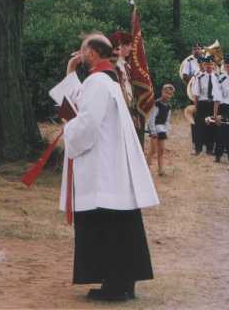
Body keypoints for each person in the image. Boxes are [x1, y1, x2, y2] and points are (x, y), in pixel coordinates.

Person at [61, 33, 159, 302]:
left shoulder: (97, 83)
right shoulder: (108, 81)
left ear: (92, 54)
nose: (79, 55)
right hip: (113, 166)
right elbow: (76, 102)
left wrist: (68, 132)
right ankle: (123, 282)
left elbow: (85, 123)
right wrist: (70, 72)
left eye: (82, 51)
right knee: (122, 225)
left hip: (102, 167)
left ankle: (114, 286)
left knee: (106, 225)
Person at [109, 31, 146, 147]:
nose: (131, 48)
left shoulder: (127, 66)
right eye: (129, 45)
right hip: (119, 110)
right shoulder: (112, 67)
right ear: (120, 45)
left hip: (130, 107)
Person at [192, 55, 219, 156]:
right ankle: (197, 149)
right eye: (207, 64)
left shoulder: (217, 78)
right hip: (202, 104)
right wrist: (196, 107)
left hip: (213, 104)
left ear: (214, 65)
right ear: (204, 65)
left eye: (211, 64)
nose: (209, 66)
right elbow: (196, 94)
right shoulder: (199, 78)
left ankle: (209, 149)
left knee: (211, 126)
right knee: (199, 126)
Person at [147, 84, 175, 176]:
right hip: (155, 128)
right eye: (166, 92)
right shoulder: (157, 104)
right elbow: (151, 118)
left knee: (161, 150)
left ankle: (160, 169)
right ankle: (146, 168)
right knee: (153, 150)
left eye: (170, 94)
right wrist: (153, 131)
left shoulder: (168, 106)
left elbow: (167, 120)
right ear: (162, 92)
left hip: (162, 129)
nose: (167, 95)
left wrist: (166, 130)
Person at [213, 55, 229, 162]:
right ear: (225, 66)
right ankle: (218, 155)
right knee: (221, 132)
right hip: (224, 107)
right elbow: (217, 97)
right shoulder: (220, 78)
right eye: (227, 65)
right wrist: (215, 114)